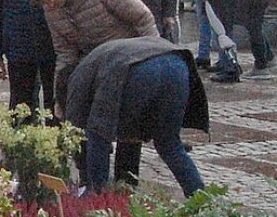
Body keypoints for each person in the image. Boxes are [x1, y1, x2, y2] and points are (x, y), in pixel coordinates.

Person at [21, 0, 159, 187]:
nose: (50, 6)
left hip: (130, 61)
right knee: (85, 126)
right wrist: (60, 96)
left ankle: (126, 185)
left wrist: (150, 62)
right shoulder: (51, 7)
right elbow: (64, 52)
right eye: (46, 3)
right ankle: (92, 185)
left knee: (128, 128)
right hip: (92, 68)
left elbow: (143, 19)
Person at [64, 37, 208, 197]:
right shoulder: (93, 63)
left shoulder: (76, 81)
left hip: (137, 69)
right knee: (169, 143)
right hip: (177, 63)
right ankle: (199, 199)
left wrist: (87, 176)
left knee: (97, 134)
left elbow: (80, 132)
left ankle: (96, 198)